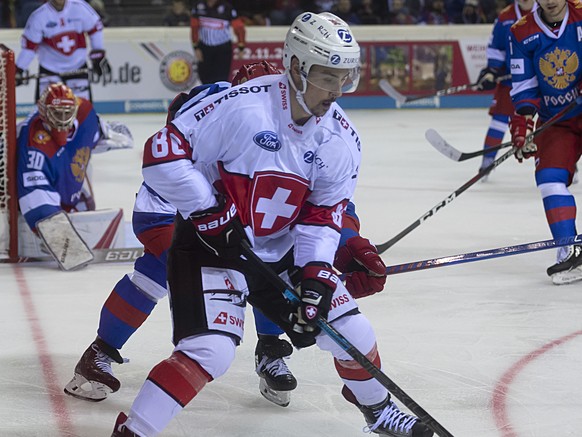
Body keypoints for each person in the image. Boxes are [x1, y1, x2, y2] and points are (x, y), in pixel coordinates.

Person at [111, 12, 432, 437]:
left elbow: (323, 216)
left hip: (280, 249)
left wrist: (316, 277)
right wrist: (208, 211)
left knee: (350, 327)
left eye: (344, 78)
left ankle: (378, 412)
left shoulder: (340, 140)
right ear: (296, 66)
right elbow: (161, 154)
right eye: (327, 76)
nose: (336, 91)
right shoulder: (242, 107)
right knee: (211, 350)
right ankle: (134, 430)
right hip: (211, 247)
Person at [64, 61, 388, 410]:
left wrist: (349, 243)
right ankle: (100, 351)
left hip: (239, 216)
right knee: (159, 273)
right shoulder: (223, 106)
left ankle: (269, 348)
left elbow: (322, 201)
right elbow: (170, 159)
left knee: (272, 256)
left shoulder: (306, 122)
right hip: (173, 208)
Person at [16, 83, 133, 270]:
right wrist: (66, 246)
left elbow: (110, 134)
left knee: (83, 179)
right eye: (57, 113)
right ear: (43, 112)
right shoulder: (33, 143)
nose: (63, 119)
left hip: (68, 185)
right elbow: (36, 200)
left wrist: (112, 136)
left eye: (67, 112)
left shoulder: (85, 114)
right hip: (31, 193)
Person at [508, 0, 582, 285]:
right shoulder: (521, 31)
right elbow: (524, 85)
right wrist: (525, 124)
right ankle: (569, 252)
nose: (549, 1)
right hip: (557, 120)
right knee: (549, 179)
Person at [475, 0, 536, 178]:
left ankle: (566, 163)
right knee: (499, 121)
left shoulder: (546, 11)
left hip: (544, 80)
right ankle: (487, 162)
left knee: (550, 123)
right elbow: (496, 49)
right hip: (513, 81)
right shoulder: (505, 17)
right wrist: (492, 70)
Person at [15, 0, 111, 102]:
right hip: (49, 72)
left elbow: (95, 28)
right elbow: (29, 48)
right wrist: (18, 70)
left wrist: (98, 56)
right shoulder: (39, 16)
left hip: (78, 68)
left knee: (83, 113)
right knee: (44, 115)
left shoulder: (80, 7)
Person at [190, 0, 246, 84]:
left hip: (223, 49)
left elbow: (239, 28)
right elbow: (194, 27)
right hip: (205, 47)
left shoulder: (227, 8)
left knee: (221, 79)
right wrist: (196, 47)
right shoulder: (198, 7)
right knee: (204, 78)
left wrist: (241, 47)